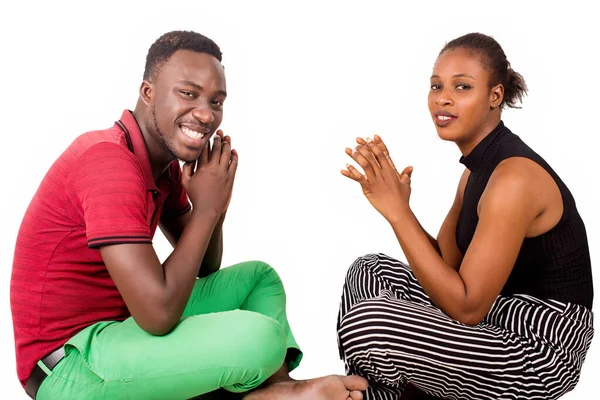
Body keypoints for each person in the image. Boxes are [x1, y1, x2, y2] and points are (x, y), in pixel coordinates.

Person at [10, 30, 368, 400]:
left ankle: (276, 390)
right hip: (68, 368)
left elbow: (206, 266)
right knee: (260, 336)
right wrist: (208, 209)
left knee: (259, 280)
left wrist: (214, 208)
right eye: (188, 93)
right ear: (148, 93)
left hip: (122, 329)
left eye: (217, 101)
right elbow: (159, 314)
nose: (205, 113)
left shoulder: (157, 164)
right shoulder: (109, 163)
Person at [337, 32, 594, 400]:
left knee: (372, 322)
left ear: (495, 96)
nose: (443, 97)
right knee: (369, 270)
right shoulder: (475, 171)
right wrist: (401, 210)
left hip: (540, 348)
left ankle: (369, 396)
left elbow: (468, 307)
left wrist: (398, 215)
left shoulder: (514, 178)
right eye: (436, 85)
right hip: (497, 313)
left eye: (462, 87)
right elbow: (444, 267)